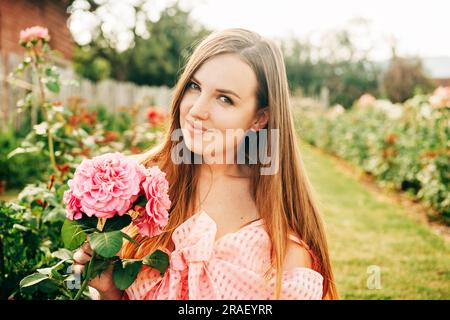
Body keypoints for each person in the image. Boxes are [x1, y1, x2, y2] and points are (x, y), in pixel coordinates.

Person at [72, 28, 339, 300]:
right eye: (194, 86)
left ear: (259, 118)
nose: (197, 109)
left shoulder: (280, 246)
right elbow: (91, 288)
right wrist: (108, 292)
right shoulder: (138, 188)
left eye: (225, 99)